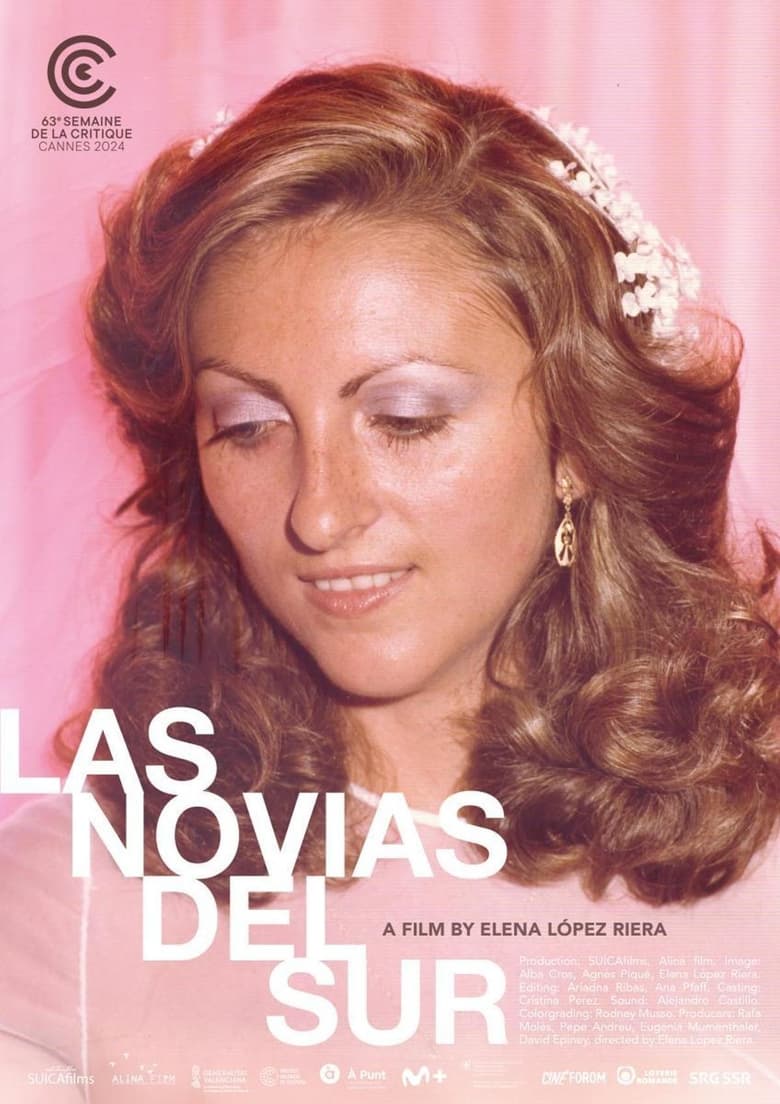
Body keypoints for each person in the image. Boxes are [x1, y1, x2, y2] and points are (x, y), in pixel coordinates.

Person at [1, 62, 778, 1102]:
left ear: (578, 440)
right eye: (249, 427)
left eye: (406, 420)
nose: (318, 513)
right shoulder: (71, 905)